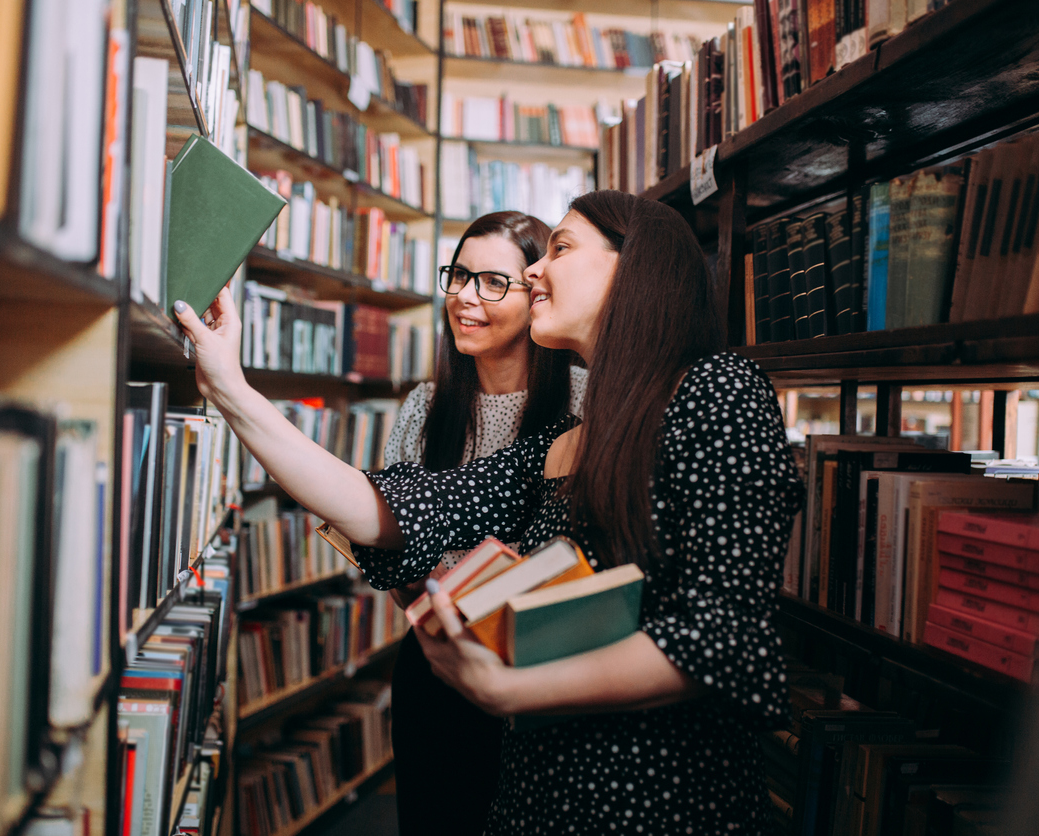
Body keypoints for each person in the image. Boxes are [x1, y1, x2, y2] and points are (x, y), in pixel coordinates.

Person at [174, 190, 803, 835]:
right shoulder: (560, 446)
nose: (535, 272)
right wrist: (229, 387)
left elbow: (729, 636)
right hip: (538, 793)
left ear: (634, 268)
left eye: (559, 248)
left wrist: (511, 692)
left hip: (659, 801)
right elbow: (389, 508)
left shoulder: (718, 390)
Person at [382, 211, 586, 835]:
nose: (466, 298)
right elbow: (390, 541)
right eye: (460, 276)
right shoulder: (424, 406)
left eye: (492, 283)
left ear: (536, 292)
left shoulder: (587, 400)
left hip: (541, 674)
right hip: (435, 661)